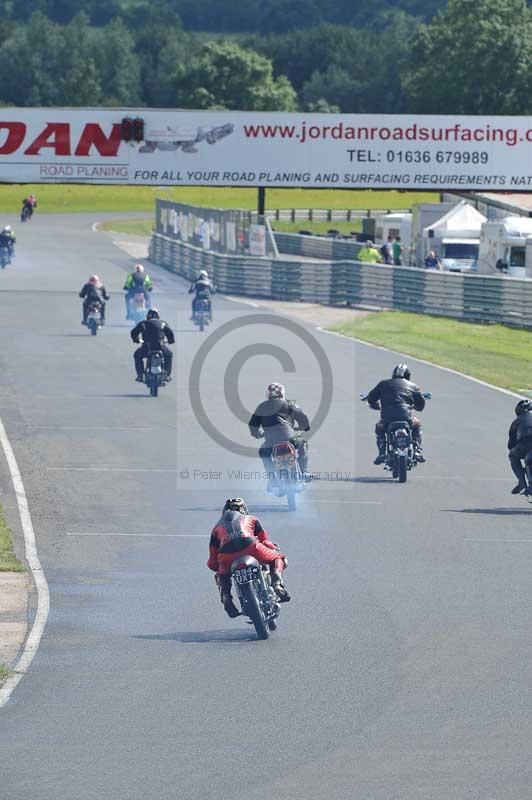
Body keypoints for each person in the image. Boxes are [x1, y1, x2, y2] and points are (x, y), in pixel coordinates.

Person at [208, 497, 290, 618]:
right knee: (278, 558)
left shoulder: (216, 528)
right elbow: (265, 541)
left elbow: (212, 562)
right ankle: (277, 584)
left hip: (226, 555)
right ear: (244, 509)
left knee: (221, 575)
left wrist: (221, 570)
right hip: (251, 547)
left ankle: (226, 597)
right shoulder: (252, 518)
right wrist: (272, 547)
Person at [249, 382, 310, 491]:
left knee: (263, 452)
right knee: (303, 443)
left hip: (270, 443)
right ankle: (304, 471)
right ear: (283, 393)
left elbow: (252, 425)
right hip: (290, 439)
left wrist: (257, 434)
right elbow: (303, 418)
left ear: (268, 395)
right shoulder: (290, 404)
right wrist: (303, 427)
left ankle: (272, 480)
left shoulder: (261, 406)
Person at [366, 364, 426, 464]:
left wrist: (376, 405)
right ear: (408, 375)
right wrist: (413, 406)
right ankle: (416, 450)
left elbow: (371, 398)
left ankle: (382, 452)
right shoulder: (413, 386)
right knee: (417, 423)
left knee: (379, 427)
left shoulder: (383, 384)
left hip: (387, 419)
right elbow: (421, 406)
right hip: (406, 418)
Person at [131, 307, 174, 382]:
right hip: (161, 347)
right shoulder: (163, 323)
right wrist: (171, 340)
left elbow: (133, 332)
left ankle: (140, 375)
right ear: (158, 316)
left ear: (148, 316)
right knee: (169, 355)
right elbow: (170, 333)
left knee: (137, 355)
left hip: (147, 347)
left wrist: (136, 340)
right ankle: (167, 375)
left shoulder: (143, 323)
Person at [507, 399, 532, 495]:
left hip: (526, 444)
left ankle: (522, 482)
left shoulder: (516, 422)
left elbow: (510, 444)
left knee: (512, 455)